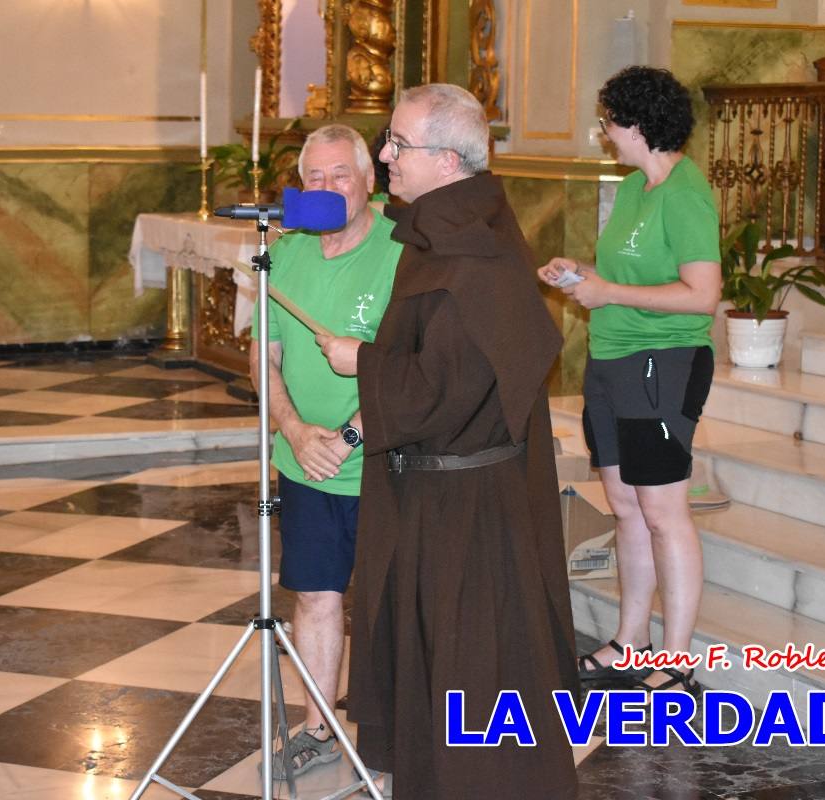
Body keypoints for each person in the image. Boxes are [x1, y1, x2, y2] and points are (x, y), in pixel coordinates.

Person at [318, 84, 579, 799]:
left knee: (475, 672)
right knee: (434, 671)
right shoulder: (441, 233)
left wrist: (360, 362)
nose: (384, 156)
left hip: (468, 508)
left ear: (446, 158)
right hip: (431, 492)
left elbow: (445, 390)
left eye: (397, 145)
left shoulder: (473, 258)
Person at [537, 66, 720, 693]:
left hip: (663, 364)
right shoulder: (639, 186)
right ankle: (630, 642)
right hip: (613, 360)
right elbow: (630, 277)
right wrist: (580, 273)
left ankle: (674, 659)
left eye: (609, 123)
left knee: (664, 511)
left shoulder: (686, 193)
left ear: (637, 125)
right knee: (625, 507)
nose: (605, 134)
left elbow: (702, 296)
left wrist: (607, 289)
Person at [248, 123, 402, 779]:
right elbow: (265, 355)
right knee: (315, 597)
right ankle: (319, 727)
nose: (327, 187)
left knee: (390, 603)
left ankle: (401, 734)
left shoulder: (404, 249)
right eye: (313, 176)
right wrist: (293, 429)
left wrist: (347, 437)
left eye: (341, 174)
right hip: (305, 462)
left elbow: (415, 366)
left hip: (387, 463)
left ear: (371, 181)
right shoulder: (285, 254)